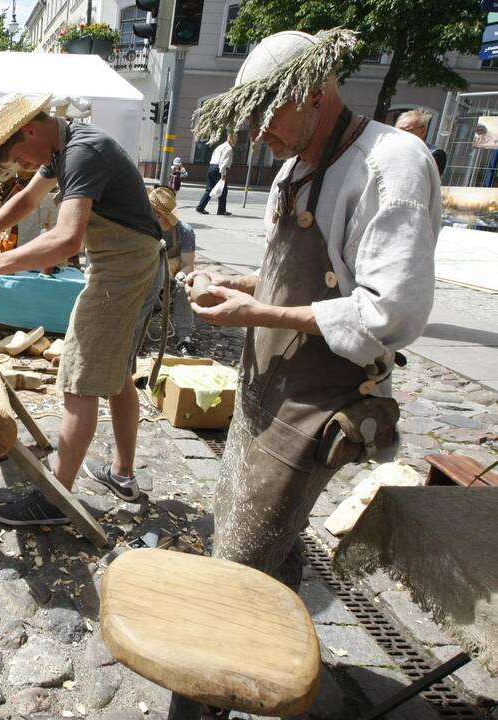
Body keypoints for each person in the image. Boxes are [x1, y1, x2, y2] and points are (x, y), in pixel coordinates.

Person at [189, 29, 439, 589]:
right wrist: (240, 282)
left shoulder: (391, 164)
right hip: (267, 385)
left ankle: (241, 669)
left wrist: (255, 314)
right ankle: (272, 657)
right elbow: (292, 278)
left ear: (310, 93)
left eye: (265, 115)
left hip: (318, 400)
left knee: (241, 564)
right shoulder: (294, 166)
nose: (257, 134)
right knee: (250, 536)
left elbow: (387, 312)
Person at [0, 93, 162, 526]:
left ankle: (55, 498)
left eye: (18, 157)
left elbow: (68, 239)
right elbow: (27, 202)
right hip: (132, 262)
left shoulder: (82, 152)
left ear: (29, 129)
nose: (24, 166)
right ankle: (122, 474)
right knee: (117, 373)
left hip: (124, 268)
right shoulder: (63, 148)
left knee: (79, 376)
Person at [133, 187, 197, 358]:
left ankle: (185, 339)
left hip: (172, 281)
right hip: (146, 278)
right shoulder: (142, 228)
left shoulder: (185, 231)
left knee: (186, 284)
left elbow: (188, 264)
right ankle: (133, 338)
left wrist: (181, 276)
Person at [395, 108, 447, 176]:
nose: (400, 134)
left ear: (423, 131)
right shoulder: (390, 149)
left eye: (406, 130)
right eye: (396, 130)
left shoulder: (433, 154)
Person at [195, 133, 235, 215]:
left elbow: (213, 156)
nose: (236, 141)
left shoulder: (220, 146)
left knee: (209, 189)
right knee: (223, 190)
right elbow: (224, 162)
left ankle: (200, 207)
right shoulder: (228, 148)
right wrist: (223, 174)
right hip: (219, 169)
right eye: (235, 139)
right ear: (230, 139)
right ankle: (221, 210)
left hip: (211, 167)